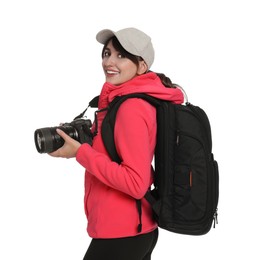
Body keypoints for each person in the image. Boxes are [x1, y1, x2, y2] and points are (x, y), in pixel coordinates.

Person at [49, 27, 184, 260]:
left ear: (142, 66)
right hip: (135, 229)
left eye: (122, 55)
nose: (109, 61)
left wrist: (82, 153)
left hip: (121, 235)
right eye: (107, 53)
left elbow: (136, 183)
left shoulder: (131, 107)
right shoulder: (124, 101)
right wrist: (78, 148)